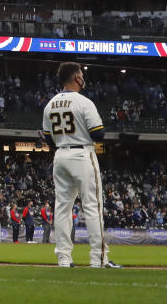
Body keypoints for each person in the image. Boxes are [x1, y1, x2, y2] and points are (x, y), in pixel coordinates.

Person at [43, 61, 120, 268]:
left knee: (62, 209)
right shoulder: (84, 102)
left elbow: (48, 139)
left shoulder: (50, 104)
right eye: (80, 75)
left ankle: (64, 259)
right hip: (82, 153)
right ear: (77, 78)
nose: (82, 78)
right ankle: (99, 258)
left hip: (60, 156)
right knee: (92, 207)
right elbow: (98, 133)